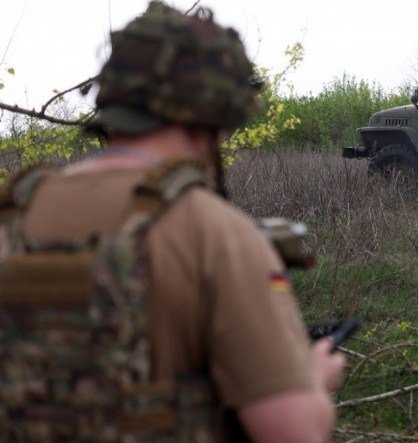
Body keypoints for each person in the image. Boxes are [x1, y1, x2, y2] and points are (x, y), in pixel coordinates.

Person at [0, 2, 344, 442]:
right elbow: (293, 431)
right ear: (215, 115)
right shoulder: (214, 232)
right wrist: (314, 380)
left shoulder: (14, 211)